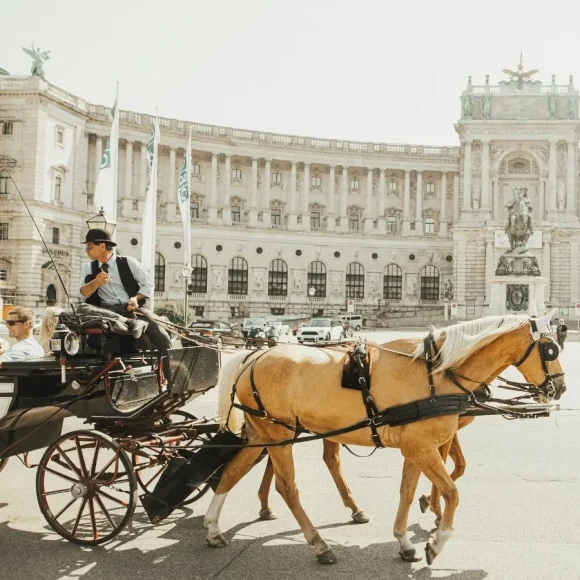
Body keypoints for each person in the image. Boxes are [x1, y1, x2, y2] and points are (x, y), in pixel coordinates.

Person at [78, 228, 172, 374]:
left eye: (90, 246)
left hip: (133, 309)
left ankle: (168, 376)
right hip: (108, 311)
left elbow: (148, 284)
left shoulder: (129, 262)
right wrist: (96, 282)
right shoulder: (88, 267)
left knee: (162, 336)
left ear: (102, 246)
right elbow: (82, 293)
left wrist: (135, 298)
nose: (87, 250)